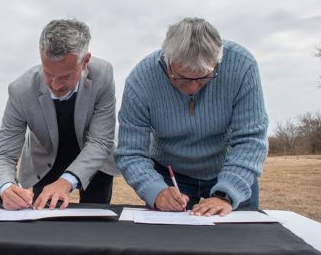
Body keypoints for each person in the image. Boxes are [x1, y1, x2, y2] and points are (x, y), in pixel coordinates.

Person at [115, 17, 268, 217]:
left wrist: (227, 193)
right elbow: (131, 151)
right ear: (167, 61)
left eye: (204, 77)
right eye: (182, 78)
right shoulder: (141, 79)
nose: (193, 87)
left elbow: (251, 138)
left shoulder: (242, 66)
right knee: (171, 244)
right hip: (170, 175)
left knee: (241, 243)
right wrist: (155, 190)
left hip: (230, 169)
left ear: (218, 62)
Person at [0, 19, 118, 210]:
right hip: (44, 164)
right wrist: (6, 187)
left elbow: (100, 141)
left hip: (95, 163)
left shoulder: (103, 75)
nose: (56, 85)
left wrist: (66, 182)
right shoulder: (20, 90)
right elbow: (5, 154)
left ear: (85, 62)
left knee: (93, 227)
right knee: (43, 222)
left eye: (65, 76)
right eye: (48, 73)